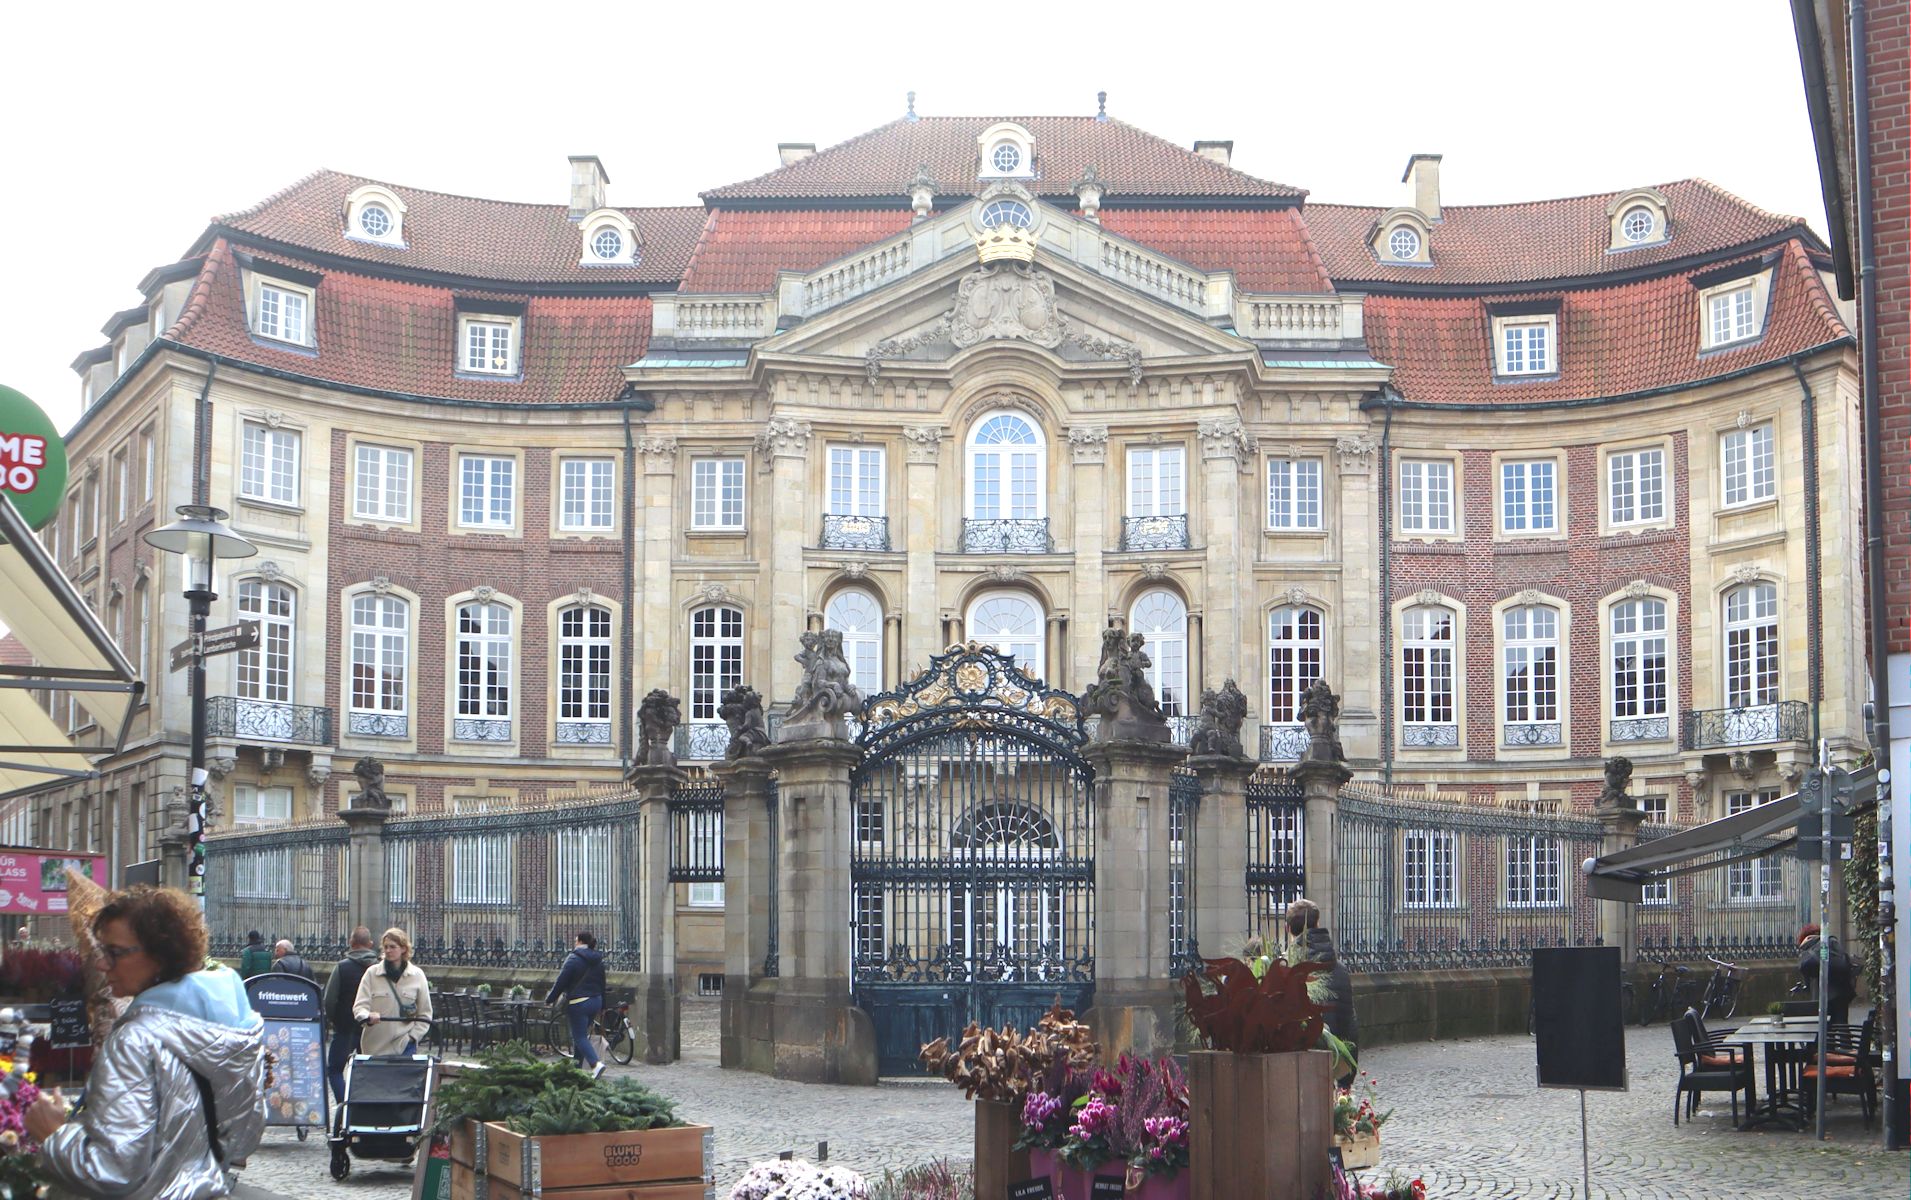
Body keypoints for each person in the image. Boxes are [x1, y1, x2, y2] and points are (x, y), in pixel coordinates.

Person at [27, 885, 265, 1200]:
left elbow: (112, 1171)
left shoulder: (134, 1040)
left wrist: (55, 1135)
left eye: (114, 952)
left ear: (160, 954)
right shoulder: (228, 1027)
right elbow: (244, 1137)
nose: (102, 965)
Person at [1287, 898, 1358, 1084]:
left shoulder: (1287, 970)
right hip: (1336, 1065)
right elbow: (1349, 1023)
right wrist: (1347, 1074)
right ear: (1318, 924)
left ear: (1289, 930)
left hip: (1298, 1069)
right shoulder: (1341, 970)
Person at [353, 927, 432, 1056]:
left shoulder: (417, 975)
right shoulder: (372, 974)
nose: (388, 950)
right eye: (386, 947)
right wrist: (367, 1016)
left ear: (403, 949)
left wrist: (412, 1037)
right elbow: (359, 1007)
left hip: (404, 1046)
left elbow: (425, 1014)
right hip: (374, 1046)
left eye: (393, 947)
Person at [324, 926, 379, 1107]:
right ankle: (365, 1106)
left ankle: (345, 1105)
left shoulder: (342, 968)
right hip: (372, 1028)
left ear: (351, 943)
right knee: (369, 1070)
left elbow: (330, 1000)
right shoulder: (378, 968)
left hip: (346, 1027)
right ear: (370, 944)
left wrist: (336, 1020)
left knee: (334, 1069)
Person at [547, 930, 609, 1079]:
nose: (574, 943)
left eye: (575, 941)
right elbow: (602, 984)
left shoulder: (573, 959)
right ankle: (576, 1068)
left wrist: (550, 999)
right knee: (582, 1036)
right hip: (596, 1000)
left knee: (579, 1036)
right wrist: (603, 1006)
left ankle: (595, 1065)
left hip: (579, 1003)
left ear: (580, 942)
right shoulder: (598, 960)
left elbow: (561, 982)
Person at [1796, 923, 1857, 1025]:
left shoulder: (1807, 946)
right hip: (1840, 992)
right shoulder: (1831, 941)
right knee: (1842, 1026)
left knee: (1825, 1028)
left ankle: (1826, 1041)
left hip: (1821, 994)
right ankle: (1844, 1040)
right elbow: (1844, 960)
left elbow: (1805, 972)